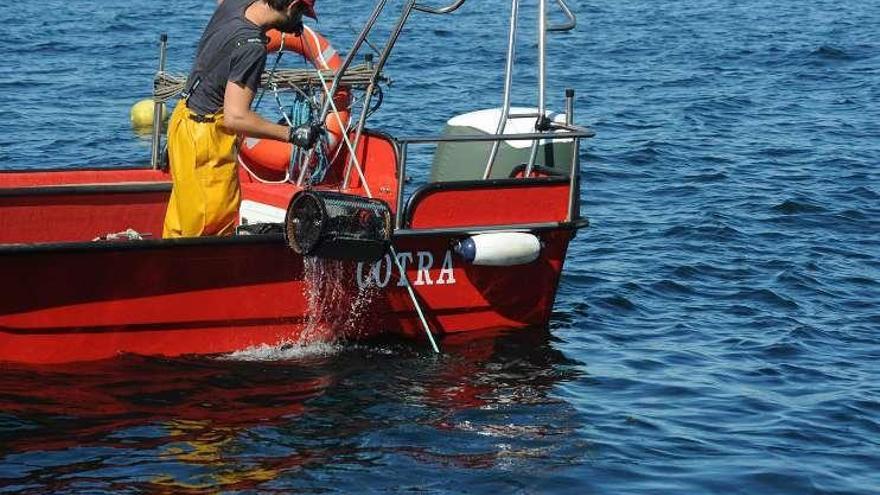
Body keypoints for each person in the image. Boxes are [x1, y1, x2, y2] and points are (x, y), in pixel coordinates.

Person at [163, 0, 321, 238]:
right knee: (209, 228)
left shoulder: (234, 4)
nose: (299, 22)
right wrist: (292, 134)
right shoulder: (252, 47)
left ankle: (166, 269)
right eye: (300, 14)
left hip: (184, 121)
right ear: (292, 6)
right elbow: (236, 117)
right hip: (207, 142)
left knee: (182, 220)